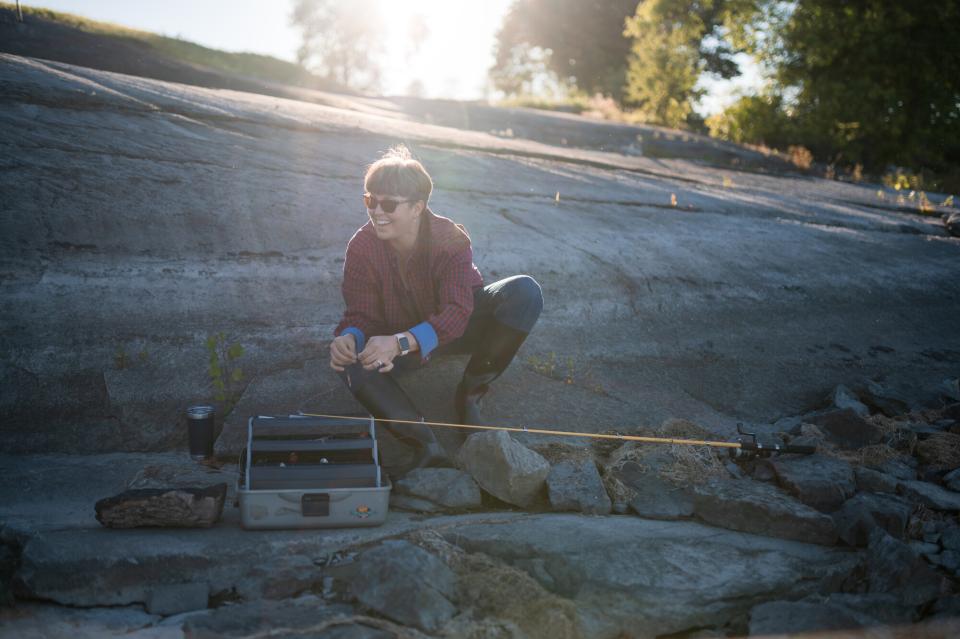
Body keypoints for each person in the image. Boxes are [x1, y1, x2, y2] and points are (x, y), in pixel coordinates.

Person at [329, 145, 543, 472]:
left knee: (524, 291)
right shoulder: (362, 246)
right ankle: (426, 448)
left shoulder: (450, 237)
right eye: (370, 200)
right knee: (353, 360)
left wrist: (402, 340)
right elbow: (362, 314)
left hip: (453, 330)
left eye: (388, 204)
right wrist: (348, 336)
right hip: (397, 344)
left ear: (417, 207)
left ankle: (470, 397)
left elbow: (457, 310)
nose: (376, 211)